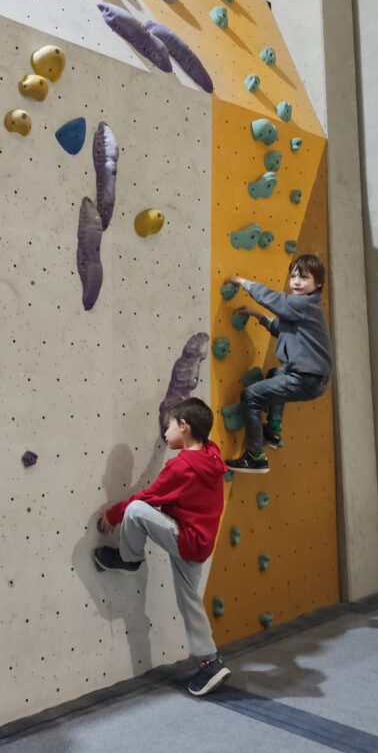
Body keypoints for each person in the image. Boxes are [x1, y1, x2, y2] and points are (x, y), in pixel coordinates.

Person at [94, 397, 231, 697]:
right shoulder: (211, 453)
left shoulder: (182, 466)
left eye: (168, 427)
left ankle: (129, 558)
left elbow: (149, 496)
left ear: (184, 426)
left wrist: (113, 515)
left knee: (135, 511)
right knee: (189, 602)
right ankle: (210, 663)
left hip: (186, 538)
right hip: (201, 541)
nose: (164, 433)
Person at [226, 254, 333, 474]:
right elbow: (283, 329)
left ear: (318, 284)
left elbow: (277, 301)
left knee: (250, 396)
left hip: (306, 378)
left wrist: (244, 283)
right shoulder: (304, 309)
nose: (296, 281)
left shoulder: (303, 304)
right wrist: (258, 316)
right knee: (276, 372)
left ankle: (255, 457)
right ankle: (273, 430)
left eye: (304, 277)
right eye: (293, 276)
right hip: (312, 378)